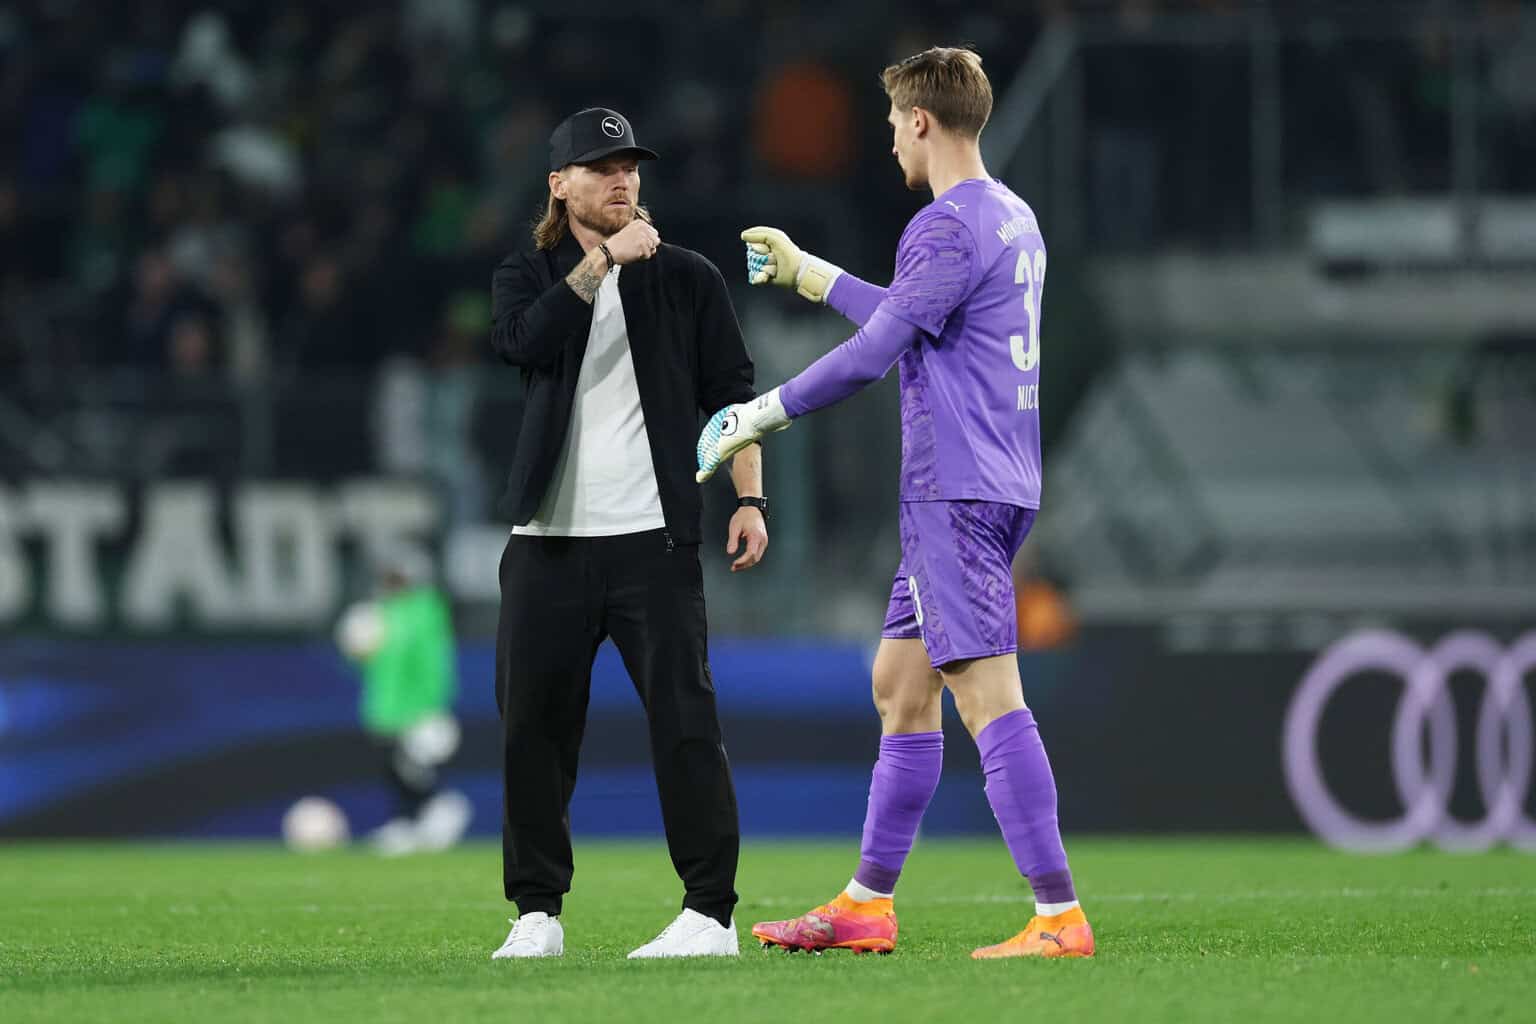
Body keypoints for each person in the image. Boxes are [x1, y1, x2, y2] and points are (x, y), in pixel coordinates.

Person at [696, 47, 1093, 959]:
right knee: (900, 688)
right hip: (992, 481)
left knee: (987, 699)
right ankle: (867, 904)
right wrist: (810, 274)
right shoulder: (1011, 217)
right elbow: (916, 317)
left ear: (920, 120)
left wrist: (756, 413)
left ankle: (1059, 914)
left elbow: (877, 353)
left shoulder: (943, 225)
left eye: (891, 125)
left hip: (954, 490)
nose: (888, 142)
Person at [489, 108, 769, 960]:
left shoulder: (687, 278)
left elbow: (734, 397)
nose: (622, 179)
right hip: (547, 541)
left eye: (630, 166)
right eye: (601, 167)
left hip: (654, 541)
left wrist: (750, 500)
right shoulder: (529, 274)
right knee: (532, 733)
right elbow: (522, 343)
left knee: (687, 726)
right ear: (559, 184)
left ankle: (709, 915)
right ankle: (537, 914)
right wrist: (604, 261)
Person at [335, 548, 470, 856]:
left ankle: (434, 813)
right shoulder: (382, 613)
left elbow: (430, 664)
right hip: (387, 710)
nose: (391, 584)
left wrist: (431, 706)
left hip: (417, 710)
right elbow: (370, 662)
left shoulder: (422, 612)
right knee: (394, 770)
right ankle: (406, 822)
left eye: (397, 578)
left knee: (411, 770)